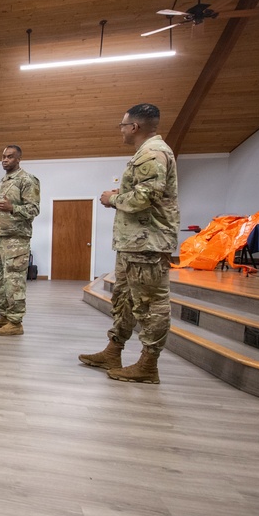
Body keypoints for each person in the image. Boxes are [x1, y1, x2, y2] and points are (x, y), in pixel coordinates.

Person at [79, 103, 179, 383]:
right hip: (133, 242)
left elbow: (145, 198)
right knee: (124, 299)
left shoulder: (152, 154)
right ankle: (114, 350)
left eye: (123, 125)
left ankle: (148, 365)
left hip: (148, 243)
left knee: (150, 304)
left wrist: (113, 199)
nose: (121, 130)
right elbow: (142, 193)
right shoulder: (144, 154)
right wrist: (121, 193)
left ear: (134, 127)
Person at [0, 145, 40, 336]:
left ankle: (16, 322)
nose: (4, 160)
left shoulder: (27, 180)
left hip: (17, 240)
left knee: (14, 280)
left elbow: (34, 210)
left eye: (9, 157)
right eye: (3, 156)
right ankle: (5, 315)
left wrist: (12, 207)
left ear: (18, 159)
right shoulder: (1, 183)